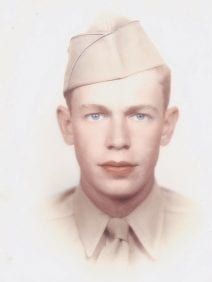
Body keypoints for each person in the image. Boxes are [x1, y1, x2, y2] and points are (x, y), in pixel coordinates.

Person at [51, 14, 200, 269]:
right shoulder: (21, 232)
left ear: (167, 126)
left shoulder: (211, 231)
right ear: (67, 126)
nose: (118, 140)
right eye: (96, 115)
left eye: (139, 115)